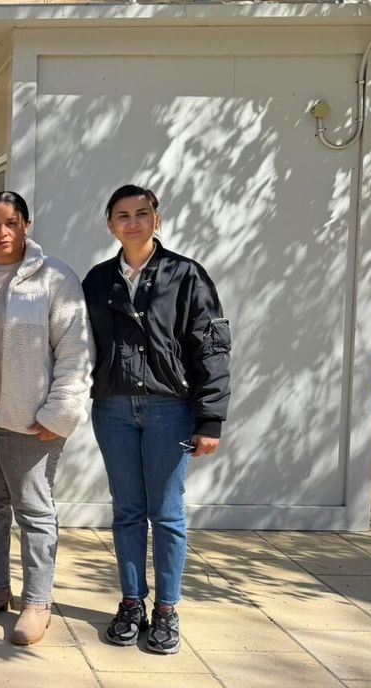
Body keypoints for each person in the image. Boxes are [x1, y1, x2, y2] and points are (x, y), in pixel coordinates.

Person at [82, 184, 231, 655]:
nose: (133, 223)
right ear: (110, 225)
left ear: (157, 219)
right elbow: (79, 346)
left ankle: (166, 609)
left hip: (170, 409)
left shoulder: (186, 275)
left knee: (166, 513)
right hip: (113, 409)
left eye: (142, 213)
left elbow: (211, 347)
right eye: (123, 215)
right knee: (126, 511)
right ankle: (132, 603)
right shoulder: (97, 280)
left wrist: (210, 419)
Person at [0, 191, 93, 645]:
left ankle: (37, 601)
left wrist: (60, 412)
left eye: (11, 222)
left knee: (33, 508)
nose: (3, 232)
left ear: (27, 225)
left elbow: (75, 351)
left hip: (30, 419)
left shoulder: (55, 278)